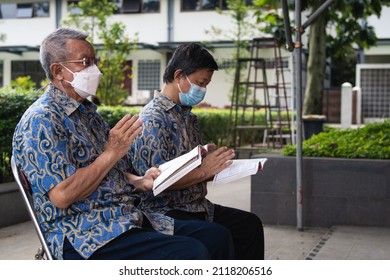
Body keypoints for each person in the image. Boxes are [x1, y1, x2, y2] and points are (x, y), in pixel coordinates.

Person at [12, 28, 235, 260]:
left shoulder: (88, 115)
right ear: (58, 71)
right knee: (191, 253)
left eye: (95, 61)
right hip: (84, 233)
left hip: (123, 217)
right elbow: (62, 195)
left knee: (216, 237)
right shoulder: (41, 119)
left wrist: (140, 181)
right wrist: (111, 152)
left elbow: (107, 172)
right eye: (85, 62)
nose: (95, 69)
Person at [130, 43, 265, 260]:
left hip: (198, 206)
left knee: (250, 225)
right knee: (218, 237)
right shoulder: (152, 119)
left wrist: (219, 168)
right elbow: (157, 182)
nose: (202, 90)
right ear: (179, 76)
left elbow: (194, 168)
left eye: (206, 85)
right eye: (200, 83)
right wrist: (204, 171)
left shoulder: (188, 117)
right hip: (165, 210)